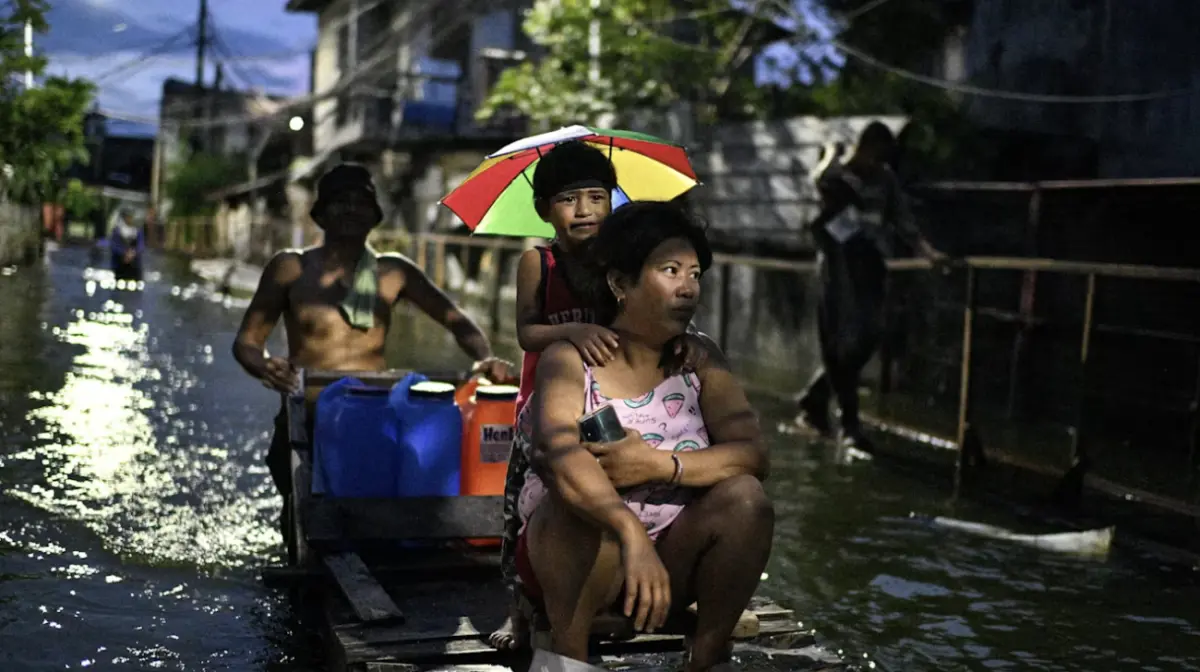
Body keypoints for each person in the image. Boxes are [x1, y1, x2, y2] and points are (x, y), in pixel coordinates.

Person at [512, 201, 773, 671]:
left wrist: (657, 464)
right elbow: (558, 454)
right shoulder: (569, 359)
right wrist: (628, 530)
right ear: (619, 283)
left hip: (671, 560)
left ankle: (705, 660)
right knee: (573, 508)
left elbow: (752, 455)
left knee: (746, 498)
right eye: (670, 270)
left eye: (694, 273)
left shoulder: (702, 360)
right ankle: (570, 663)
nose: (688, 287)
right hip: (575, 560)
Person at [489, 141, 711, 651]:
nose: (585, 210)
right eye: (569, 199)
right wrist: (571, 334)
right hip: (546, 398)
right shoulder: (537, 262)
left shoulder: (621, 259)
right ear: (545, 208)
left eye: (596, 196)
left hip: (612, 399)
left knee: (616, 486)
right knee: (518, 507)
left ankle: (621, 584)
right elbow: (526, 332)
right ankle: (519, 612)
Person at [232, 163, 512, 555]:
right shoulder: (291, 267)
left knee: (374, 521)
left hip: (372, 419)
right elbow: (246, 342)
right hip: (308, 413)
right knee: (299, 517)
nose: (350, 210)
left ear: (373, 214)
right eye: (340, 202)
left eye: (360, 202)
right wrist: (265, 365)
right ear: (322, 213)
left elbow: (459, 322)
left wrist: (485, 358)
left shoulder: (392, 272)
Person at [794, 122, 946, 450]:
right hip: (837, 267)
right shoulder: (835, 174)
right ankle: (849, 423)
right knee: (838, 342)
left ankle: (817, 396)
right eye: (875, 150)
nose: (877, 158)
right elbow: (816, 197)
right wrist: (832, 158)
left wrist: (925, 250)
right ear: (865, 145)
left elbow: (902, 219)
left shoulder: (884, 178)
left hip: (871, 265)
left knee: (870, 334)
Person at [109, 208, 145, 282]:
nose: (129, 219)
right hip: (120, 262)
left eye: (131, 217)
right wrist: (124, 253)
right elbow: (114, 245)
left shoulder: (137, 231)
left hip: (134, 263)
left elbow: (141, 245)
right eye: (127, 217)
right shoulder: (117, 230)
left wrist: (133, 253)